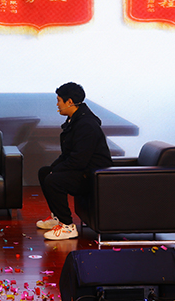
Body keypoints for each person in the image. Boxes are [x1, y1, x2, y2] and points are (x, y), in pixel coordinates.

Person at [36, 82, 112, 240]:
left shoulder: (86, 124)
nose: (57, 105)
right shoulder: (75, 120)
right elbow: (67, 155)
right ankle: (57, 217)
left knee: (53, 180)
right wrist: (53, 168)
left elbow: (79, 160)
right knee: (45, 172)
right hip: (82, 170)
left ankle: (67, 226)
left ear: (69, 101)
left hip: (92, 176)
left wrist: (56, 172)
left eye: (59, 100)